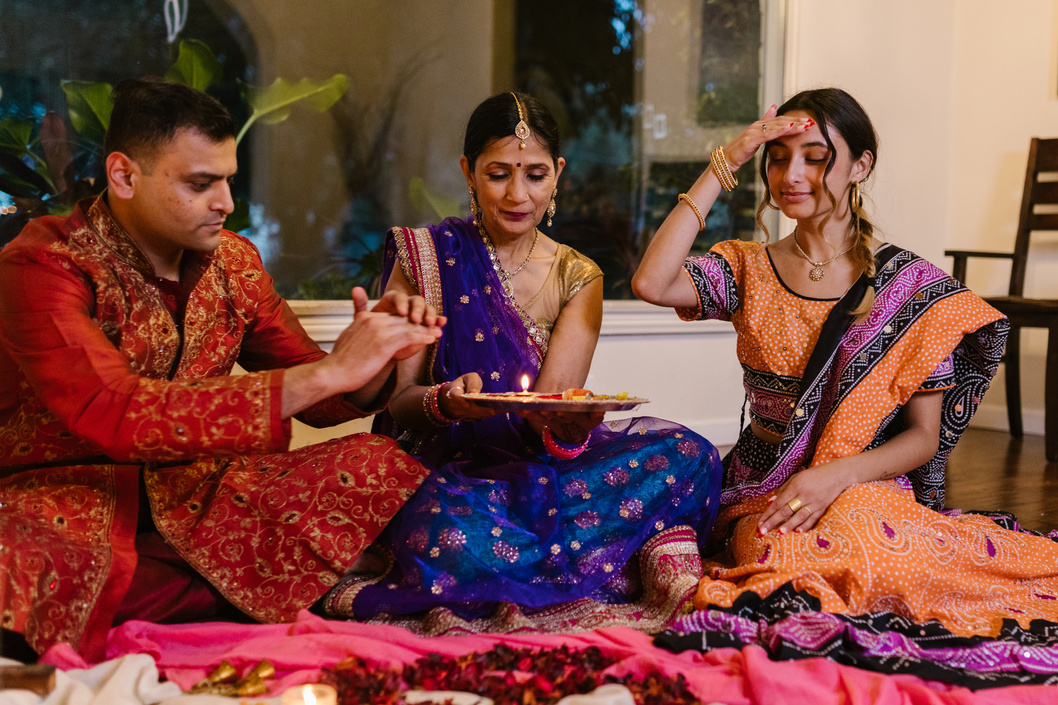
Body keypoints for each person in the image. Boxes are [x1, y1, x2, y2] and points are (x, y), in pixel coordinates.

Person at [0, 77, 445, 661]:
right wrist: (329, 373)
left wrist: (385, 347)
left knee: (376, 462)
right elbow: (116, 411)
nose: (227, 203)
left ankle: (208, 582)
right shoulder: (42, 265)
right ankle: (279, 580)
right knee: (29, 565)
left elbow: (317, 392)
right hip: (59, 497)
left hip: (203, 492)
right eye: (201, 183)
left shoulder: (234, 260)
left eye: (229, 179)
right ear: (124, 175)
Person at [632, 87, 1058, 686]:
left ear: (860, 166)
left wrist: (836, 474)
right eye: (778, 158)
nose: (792, 174)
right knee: (791, 561)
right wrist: (724, 161)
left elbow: (922, 439)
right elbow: (652, 281)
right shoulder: (748, 268)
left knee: (875, 549)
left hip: (863, 479)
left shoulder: (907, 287)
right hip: (766, 485)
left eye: (815, 157)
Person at [319, 92, 723, 634]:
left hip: (538, 472)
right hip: (441, 473)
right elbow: (402, 406)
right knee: (448, 527)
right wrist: (447, 402)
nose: (518, 194)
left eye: (534, 174)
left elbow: (551, 417)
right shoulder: (428, 256)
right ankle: (564, 562)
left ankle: (521, 559)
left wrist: (570, 430)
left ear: (557, 174)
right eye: (498, 174)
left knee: (691, 455)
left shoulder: (578, 276)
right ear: (468, 171)